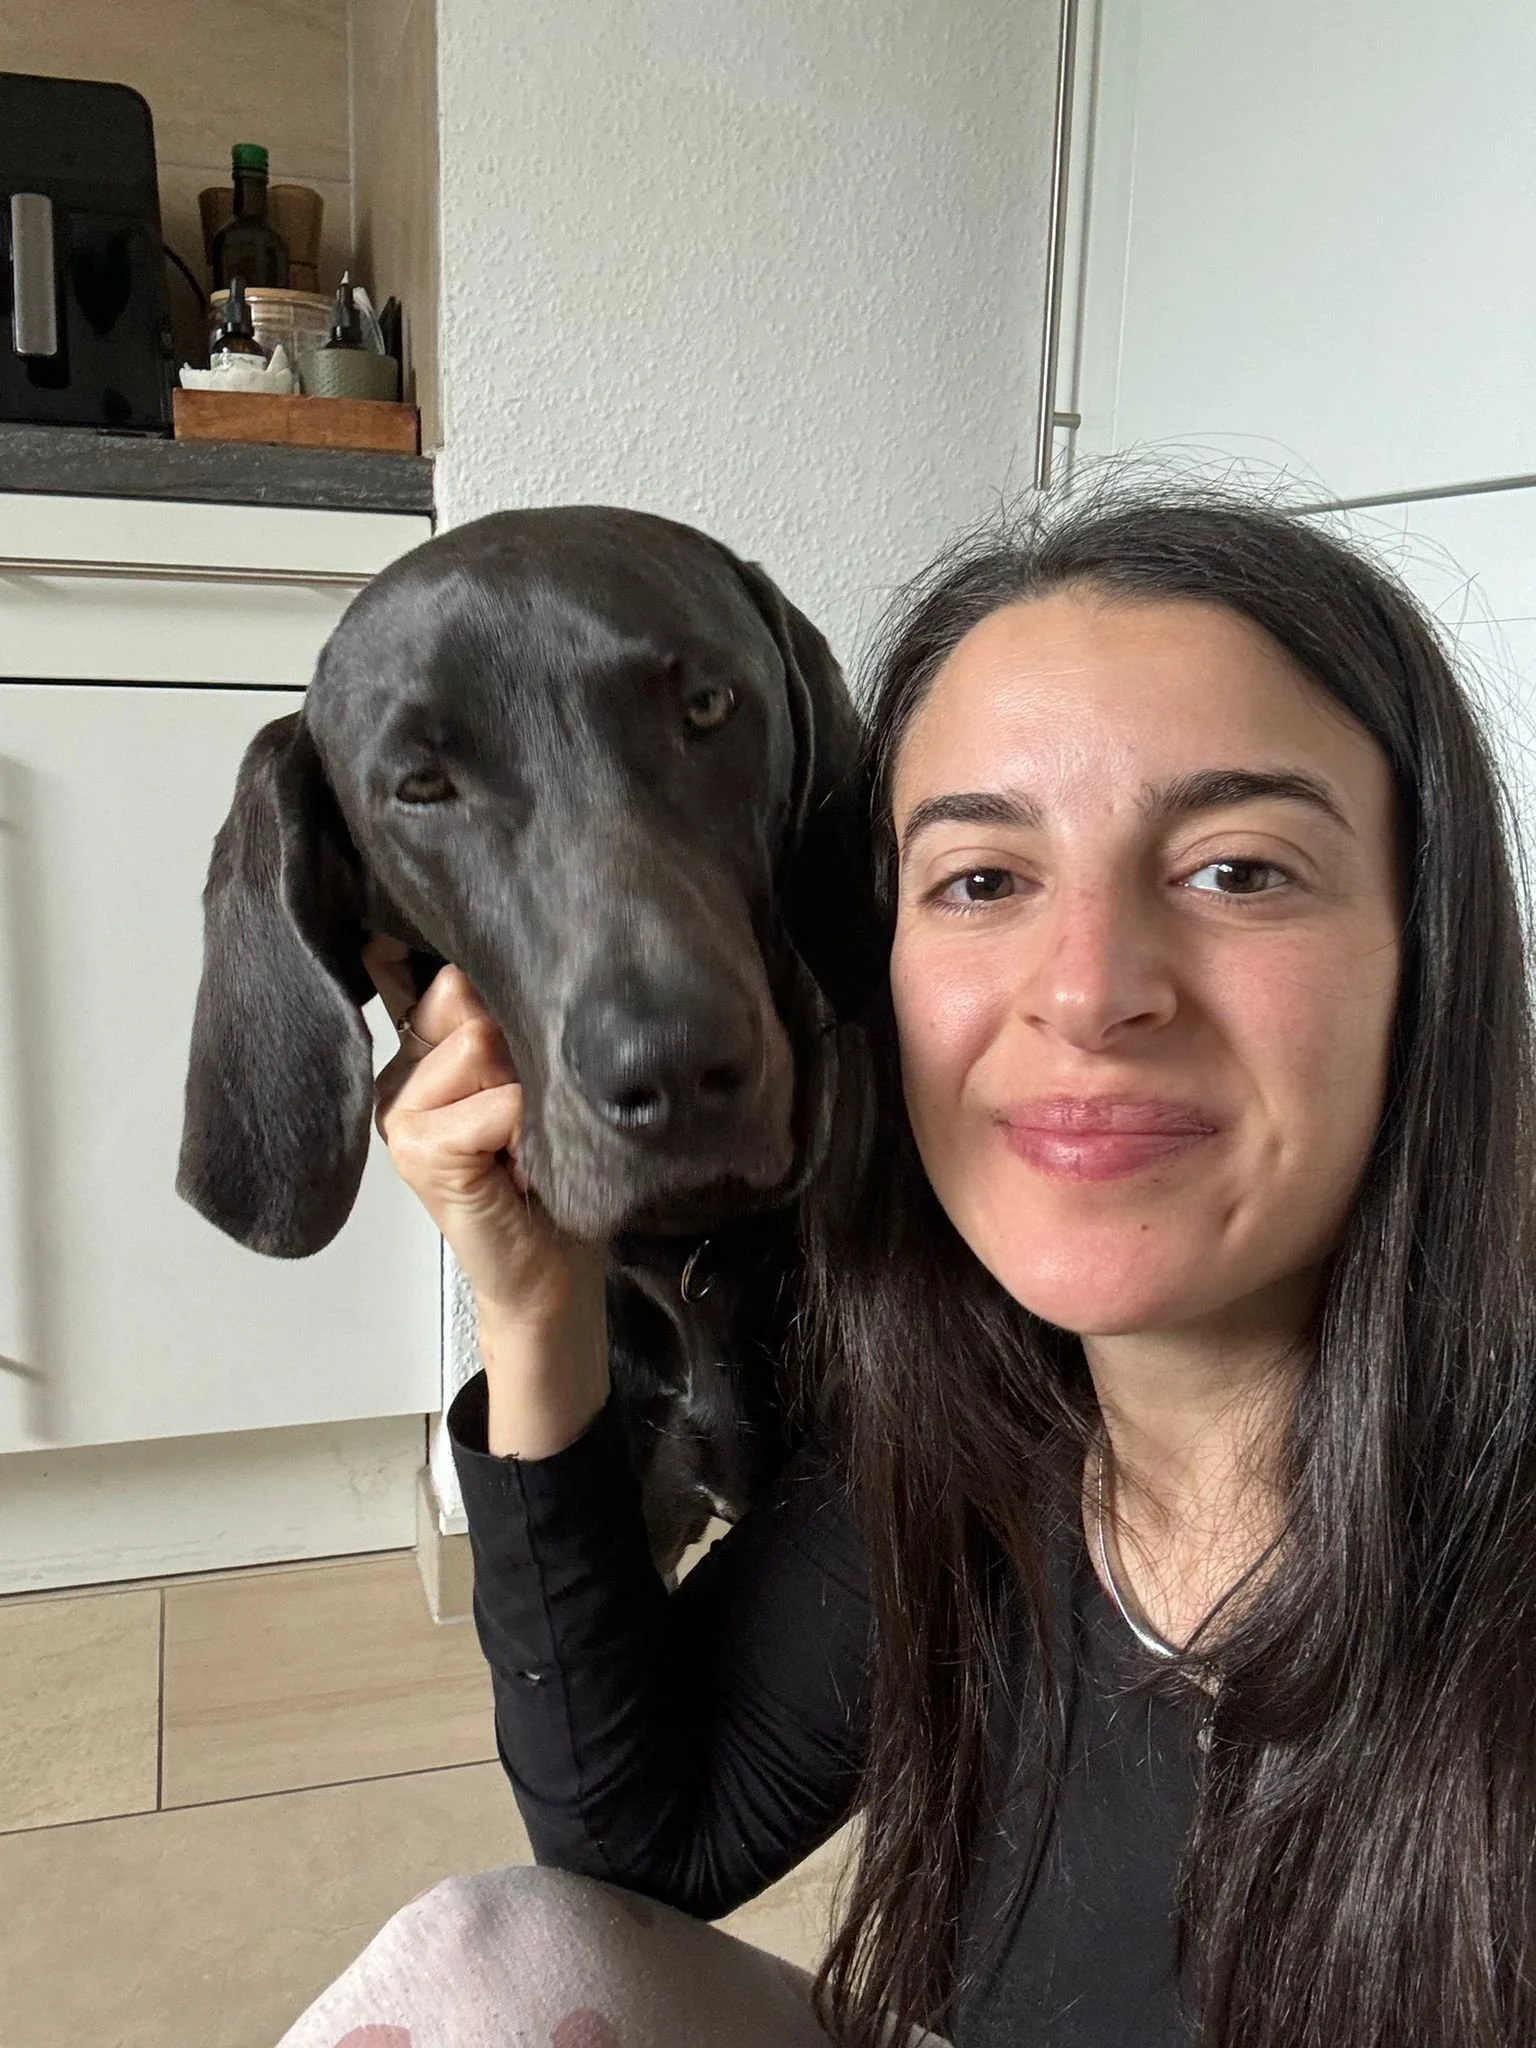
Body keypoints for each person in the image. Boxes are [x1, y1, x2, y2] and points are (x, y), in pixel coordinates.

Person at [277, 489, 1536, 2048]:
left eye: (1238, 870)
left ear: (1436, 938)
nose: (1087, 992)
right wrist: (536, 1302)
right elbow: (639, 1843)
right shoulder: (979, 1449)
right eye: (984, 882)